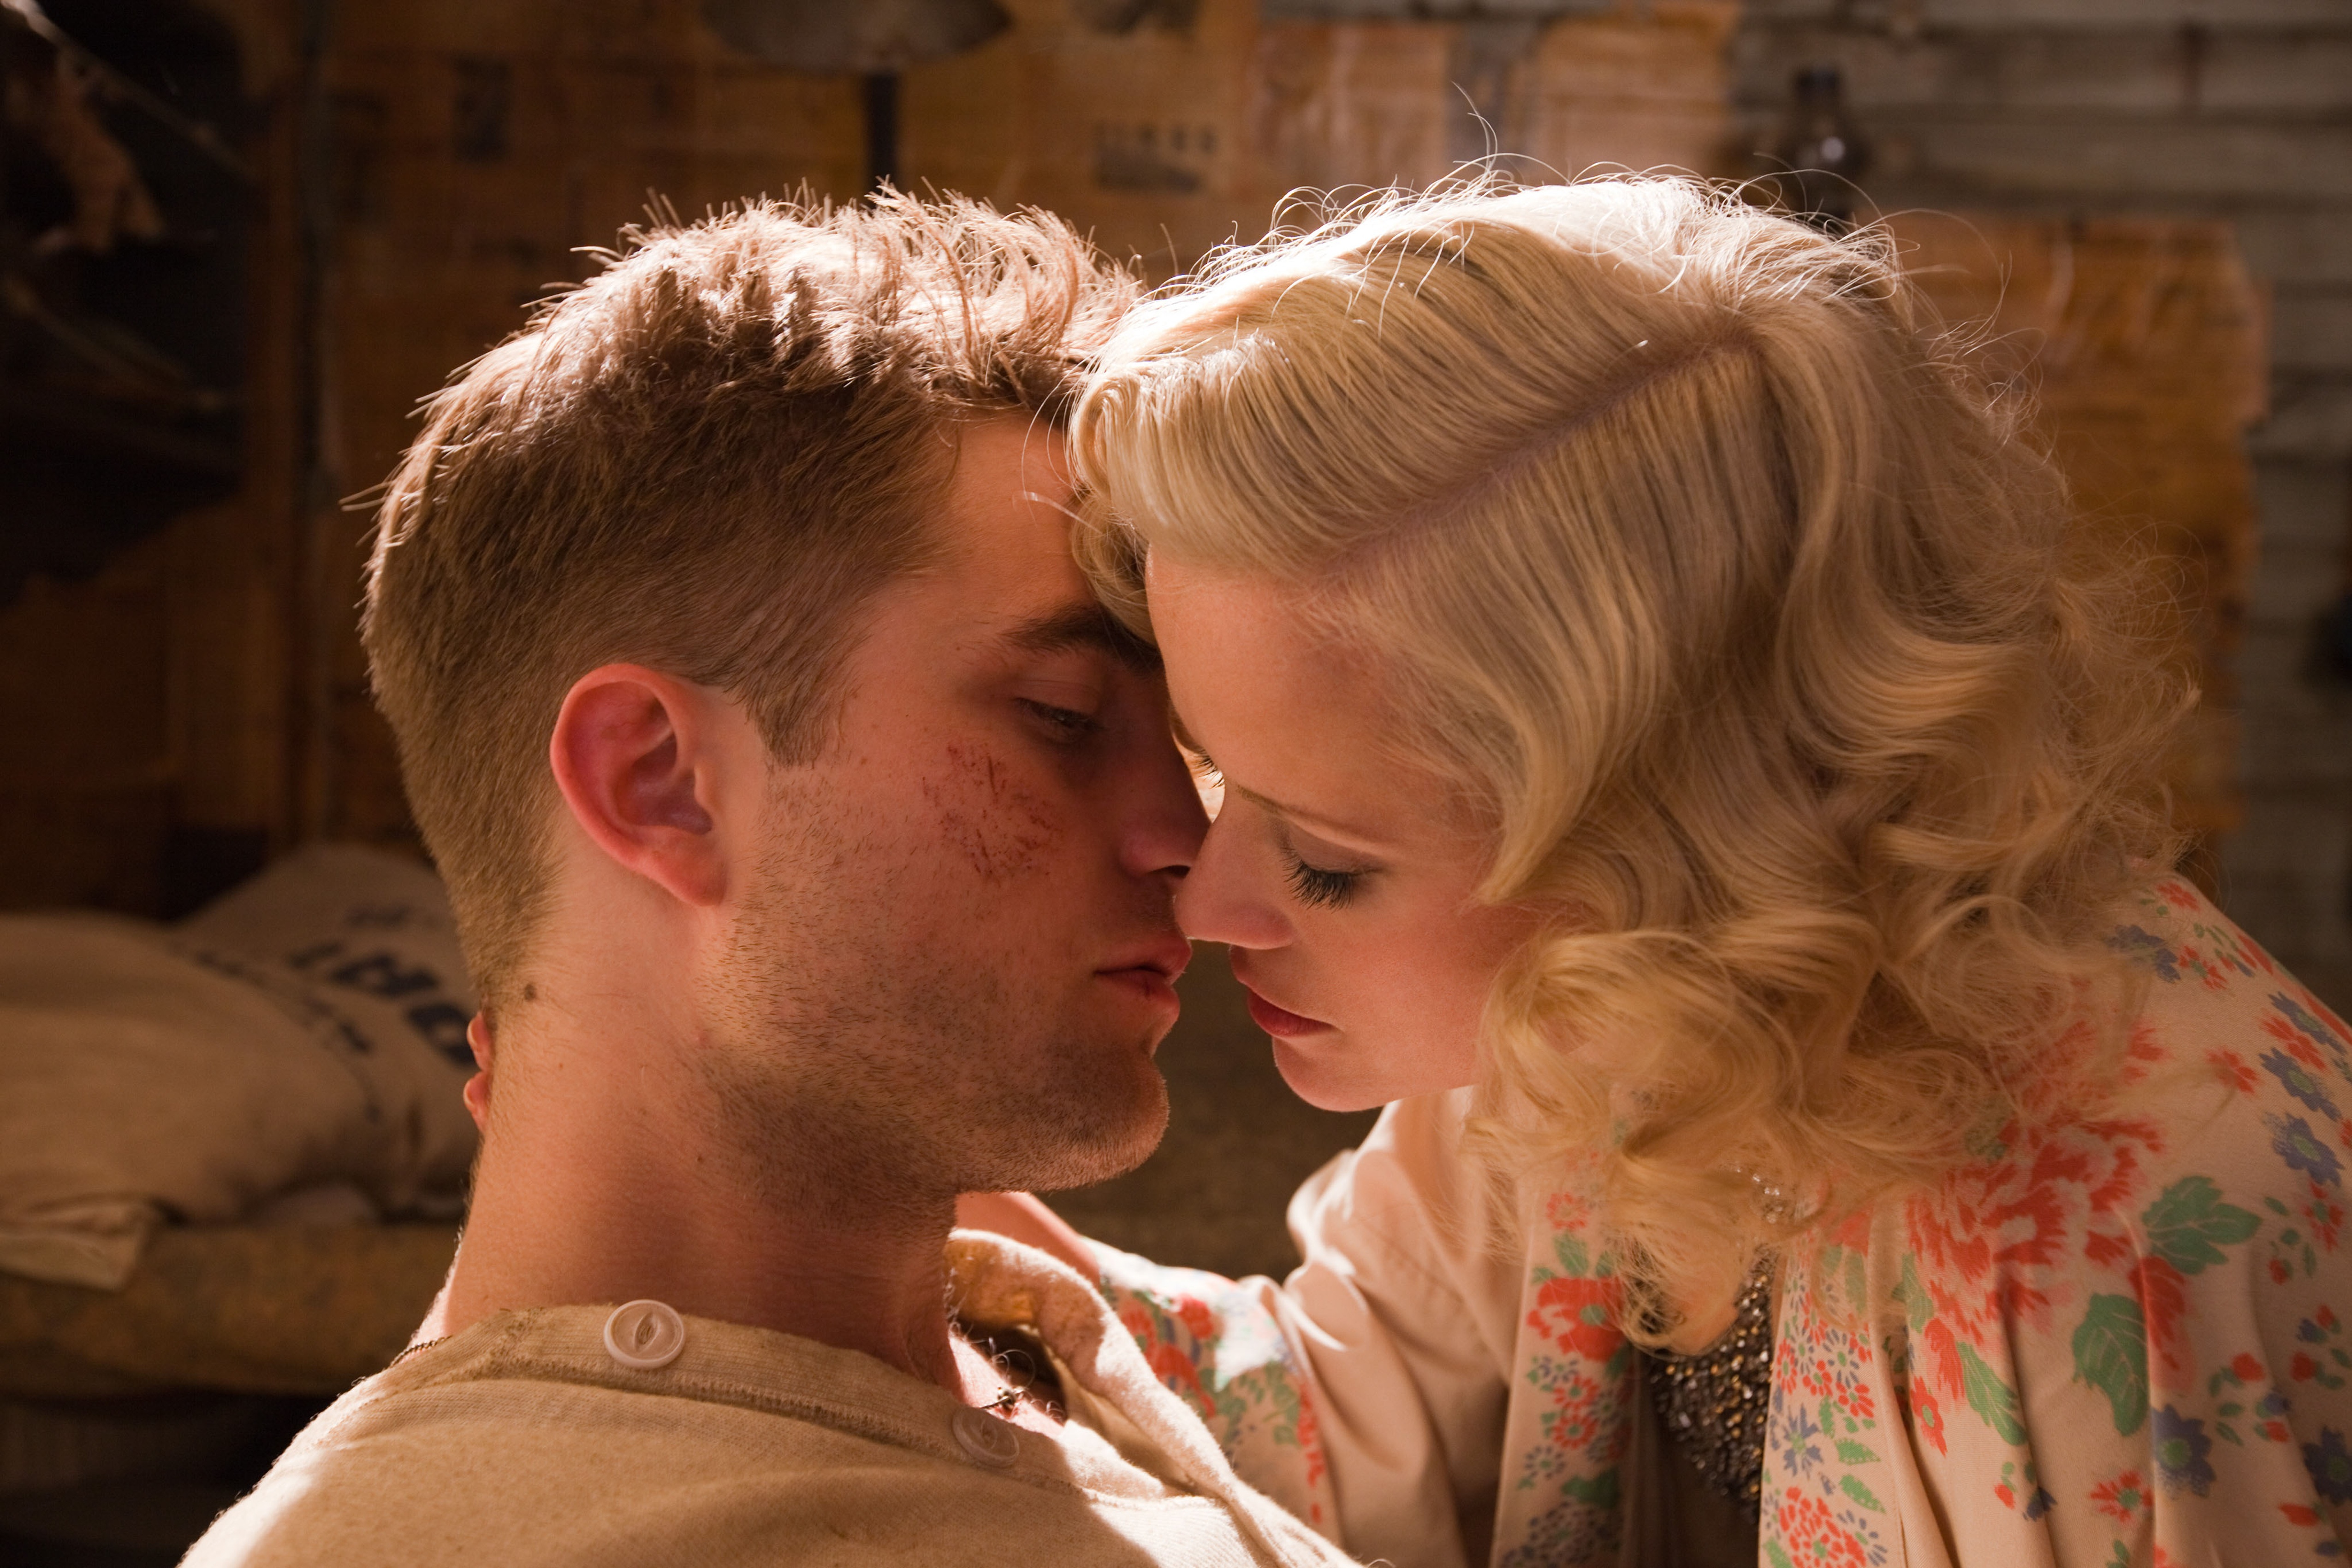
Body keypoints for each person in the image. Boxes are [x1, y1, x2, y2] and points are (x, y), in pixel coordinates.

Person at [974, 177, 2352, 1567]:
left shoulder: (2121, 1254)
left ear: (1690, 835)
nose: (1206, 906)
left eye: (1328, 861)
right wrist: (901, 1205)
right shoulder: (1601, 1008)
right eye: (1219, 773)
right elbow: (1350, 1423)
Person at [181, 194, 1359, 1568]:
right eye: (1062, 715)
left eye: (1190, 750)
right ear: (659, 783)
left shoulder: (1029, 1351)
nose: (1193, 848)